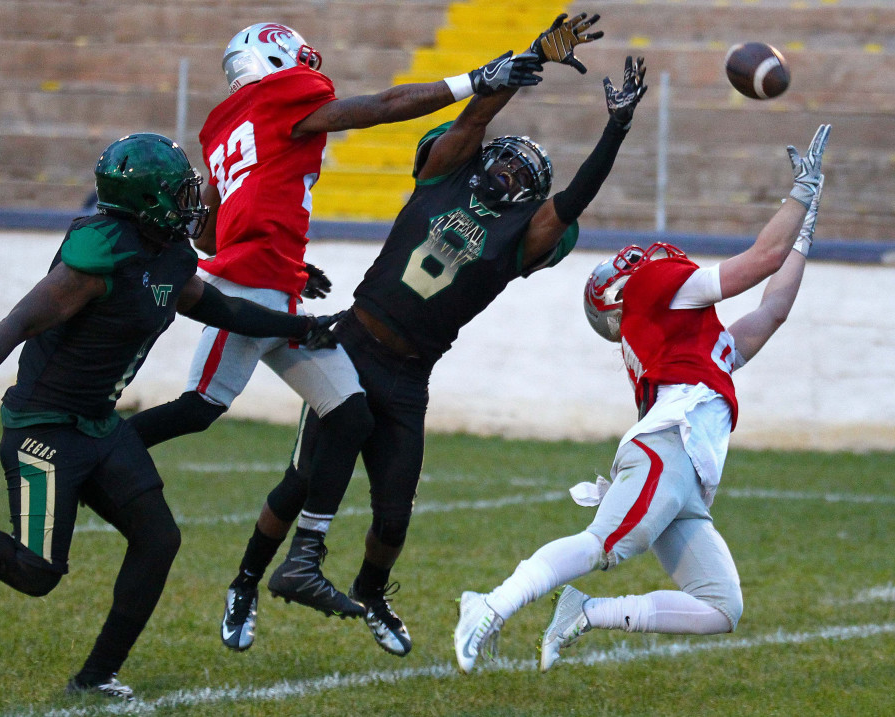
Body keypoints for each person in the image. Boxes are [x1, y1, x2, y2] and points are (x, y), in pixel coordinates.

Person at [127, 16, 602, 624]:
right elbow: (381, 107)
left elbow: (217, 228)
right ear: (274, 62)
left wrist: (291, 267)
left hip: (295, 296)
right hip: (264, 294)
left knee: (350, 418)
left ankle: (305, 562)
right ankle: (107, 453)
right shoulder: (285, 101)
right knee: (204, 408)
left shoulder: (220, 125)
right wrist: (476, 79)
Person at [0, 133, 340, 700]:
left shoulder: (166, 251)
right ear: (145, 200)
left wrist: (300, 325)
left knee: (159, 539)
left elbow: (218, 307)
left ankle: (96, 677)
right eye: (178, 192)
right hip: (42, 430)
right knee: (36, 573)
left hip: (99, 424)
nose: (192, 201)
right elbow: (19, 321)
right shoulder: (98, 257)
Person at [453, 124, 832, 673]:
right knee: (599, 546)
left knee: (721, 605)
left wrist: (805, 227)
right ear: (623, 296)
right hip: (668, 448)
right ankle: (488, 605)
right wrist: (800, 195)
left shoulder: (688, 340)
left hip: (687, 472)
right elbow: (760, 261)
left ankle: (586, 612)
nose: (645, 258)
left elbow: (772, 309)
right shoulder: (654, 295)